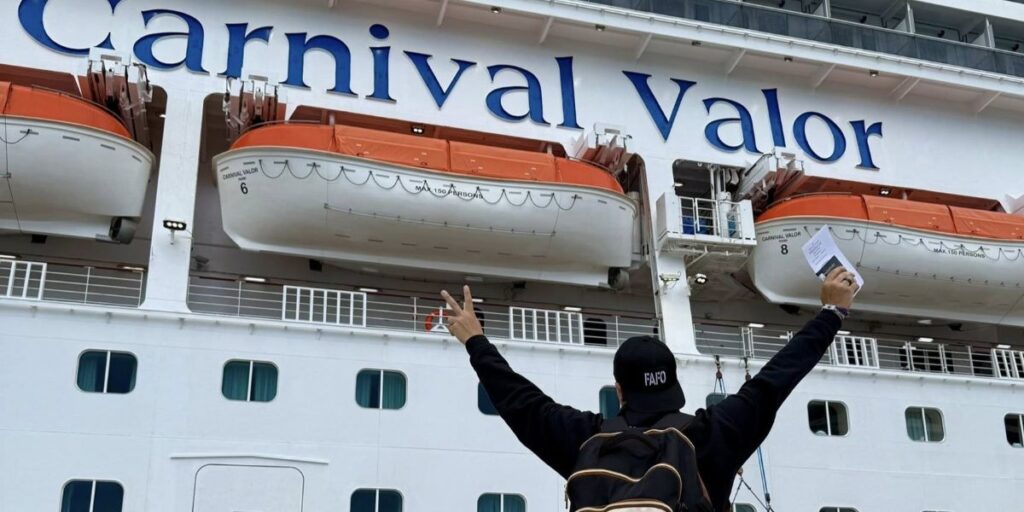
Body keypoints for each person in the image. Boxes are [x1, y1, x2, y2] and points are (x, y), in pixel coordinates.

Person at [440, 267, 859, 512]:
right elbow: (775, 380)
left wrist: (475, 341)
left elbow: (521, 403)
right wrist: (832, 311)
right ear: (673, 384)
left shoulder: (585, 439)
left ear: (619, 390)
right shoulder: (711, 435)